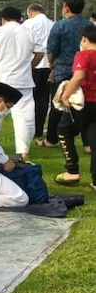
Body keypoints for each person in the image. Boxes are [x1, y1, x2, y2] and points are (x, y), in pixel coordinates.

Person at [0, 7, 40, 158]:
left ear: (2, 19)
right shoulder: (28, 32)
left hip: (2, 79)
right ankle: (23, 150)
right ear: (20, 18)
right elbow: (40, 53)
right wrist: (29, 66)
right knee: (25, 116)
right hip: (23, 80)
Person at [42, 0, 91, 149]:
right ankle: (88, 143)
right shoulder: (89, 26)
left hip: (62, 69)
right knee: (84, 105)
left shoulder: (60, 26)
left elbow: (52, 50)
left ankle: (51, 139)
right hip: (84, 69)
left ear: (66, 8)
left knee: (57, 104)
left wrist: (51, 65)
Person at [54, 24, 96, 189]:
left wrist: (65, 94)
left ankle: (72, 171)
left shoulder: (83, 55)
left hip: (83, 103)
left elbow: (78, 77)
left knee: (64, 131)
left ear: (84, 39)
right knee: (94, 141)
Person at [22, 4, 54, 141]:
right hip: (49, 64)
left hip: (34, 63)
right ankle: (39, 130)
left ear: (30, 12)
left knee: (30, 98)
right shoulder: (52, 24)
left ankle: (28, 129)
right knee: (43, 99)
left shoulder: (29, 24)